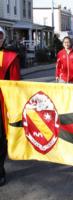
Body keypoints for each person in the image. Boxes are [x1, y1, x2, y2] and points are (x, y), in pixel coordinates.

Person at [0, 26, 21, 187]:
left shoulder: (10, 57)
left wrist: (13, 106)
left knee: (1, 138)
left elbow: (15, 84)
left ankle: (0, 170)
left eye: (0, 36)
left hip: (2, 103)